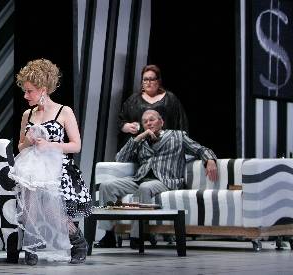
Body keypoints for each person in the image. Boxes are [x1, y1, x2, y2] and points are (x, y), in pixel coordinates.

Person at [96, 109, 217, 248]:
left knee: (145, 187)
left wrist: (210, 160)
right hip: (140, 178)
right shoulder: (141, 141)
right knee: (106, 186)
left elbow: (200, 149)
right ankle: (109, 235)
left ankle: (138, 235)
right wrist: (138, 137)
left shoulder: (177, 136)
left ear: (161, 122)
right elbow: (120, 158)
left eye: (152, 119)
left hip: (165, 180)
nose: (148, 123)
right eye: (145, 122)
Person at [13, 58, 92, 265]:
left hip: (56, 168)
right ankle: (31, 247)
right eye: (25, 90)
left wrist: (51, 145)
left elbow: (76, 145)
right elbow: (20, 145)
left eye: (29, 91)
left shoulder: (63, 111)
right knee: (29, 208)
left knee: (52, 211)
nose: (25, 95)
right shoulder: (27, 114)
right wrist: (29, 143)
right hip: (31, 167)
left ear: (43, 89)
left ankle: (78, 241)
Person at [118, 64, 188, 145]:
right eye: (145, 79)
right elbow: (121, 120)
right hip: (140, 147)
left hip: (166, 146)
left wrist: (183, 143)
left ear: (158, 81)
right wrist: (125, 127)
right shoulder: (133, 100)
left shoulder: (170, 99)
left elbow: (182, 123)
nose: (148, 82)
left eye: (151, 79)